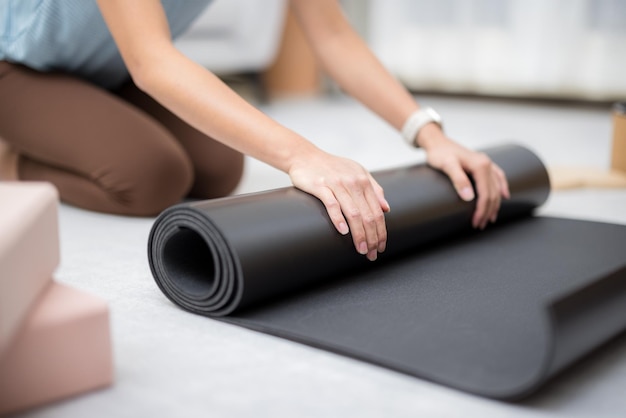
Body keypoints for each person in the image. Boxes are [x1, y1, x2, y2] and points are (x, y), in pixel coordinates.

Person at [0, 0, 509, 262]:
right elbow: (152, 62)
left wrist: (429, 135)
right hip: (17, 68)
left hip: (105, 66)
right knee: (149, 176)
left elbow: (333, 36)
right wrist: (300, 155)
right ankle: (8, 158)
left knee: (220, 168)